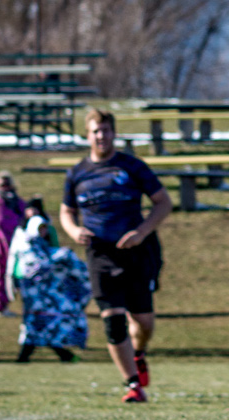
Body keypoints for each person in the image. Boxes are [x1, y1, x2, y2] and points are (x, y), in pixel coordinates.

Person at [60, 108, 171, 403]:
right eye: (96, 131)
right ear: (88, 134)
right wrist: (72, 230)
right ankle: (132, 385)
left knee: (144, 322)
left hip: (135, 252)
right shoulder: (77, 173)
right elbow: (66, 211)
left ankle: (138, 353)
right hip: (99, 254)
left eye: (106, 130)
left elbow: (163, 202)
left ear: (113, 133)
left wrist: (142, 232)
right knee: (113, 320)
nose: (101, 136)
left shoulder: (132, 166)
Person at [8, 205, 89, 363]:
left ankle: (54, 354)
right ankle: (33, 355)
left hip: (46, 295)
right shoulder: (26, 244)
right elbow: (33, 265)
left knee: (47, 323)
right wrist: (58, 258)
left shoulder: (43, 245)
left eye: (45, 228)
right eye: (40, 228)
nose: (43, 231)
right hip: (33, 295)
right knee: (33, 323)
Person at [0, 171, 24, 318]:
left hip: (15, 242)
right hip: (1, 243)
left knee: (10, 276)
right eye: (2, 184)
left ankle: (5, 305)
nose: (5, 187)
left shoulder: (14, 199)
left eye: (7, 183)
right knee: (0, 274)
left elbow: (22, 211)